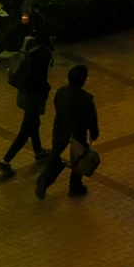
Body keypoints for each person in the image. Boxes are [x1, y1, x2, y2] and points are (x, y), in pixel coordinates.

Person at [34, 64, 98, 200]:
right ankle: (75, 187)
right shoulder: (86, 98)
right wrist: (94, 133)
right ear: (83, 80)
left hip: (60, 131)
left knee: (57, 160)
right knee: (79, 160)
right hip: (77, 135)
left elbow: (57, 107)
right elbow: (92, 119)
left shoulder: (61, 91)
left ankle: (44, 179)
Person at [0, 28, 52, 175]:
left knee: (34, 124)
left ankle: (39, 152)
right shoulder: (44, 53)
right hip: (34, 95)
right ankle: (6, 160)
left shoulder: (31, 44)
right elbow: (41, 78)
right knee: (26, 130)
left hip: (24, 91)